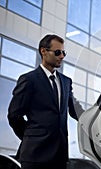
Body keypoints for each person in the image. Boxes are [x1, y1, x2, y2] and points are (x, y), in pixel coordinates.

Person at [7, 34, 84, 169]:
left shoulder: (66, 82)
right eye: (58, 52)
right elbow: (14, 116)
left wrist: (97, 120)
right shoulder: (29, 80)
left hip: (59, 156)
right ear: (43, 51)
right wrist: (31, 137)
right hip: (35, 155)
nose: (62, 56)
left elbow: (75, 111)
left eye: (63, 53)